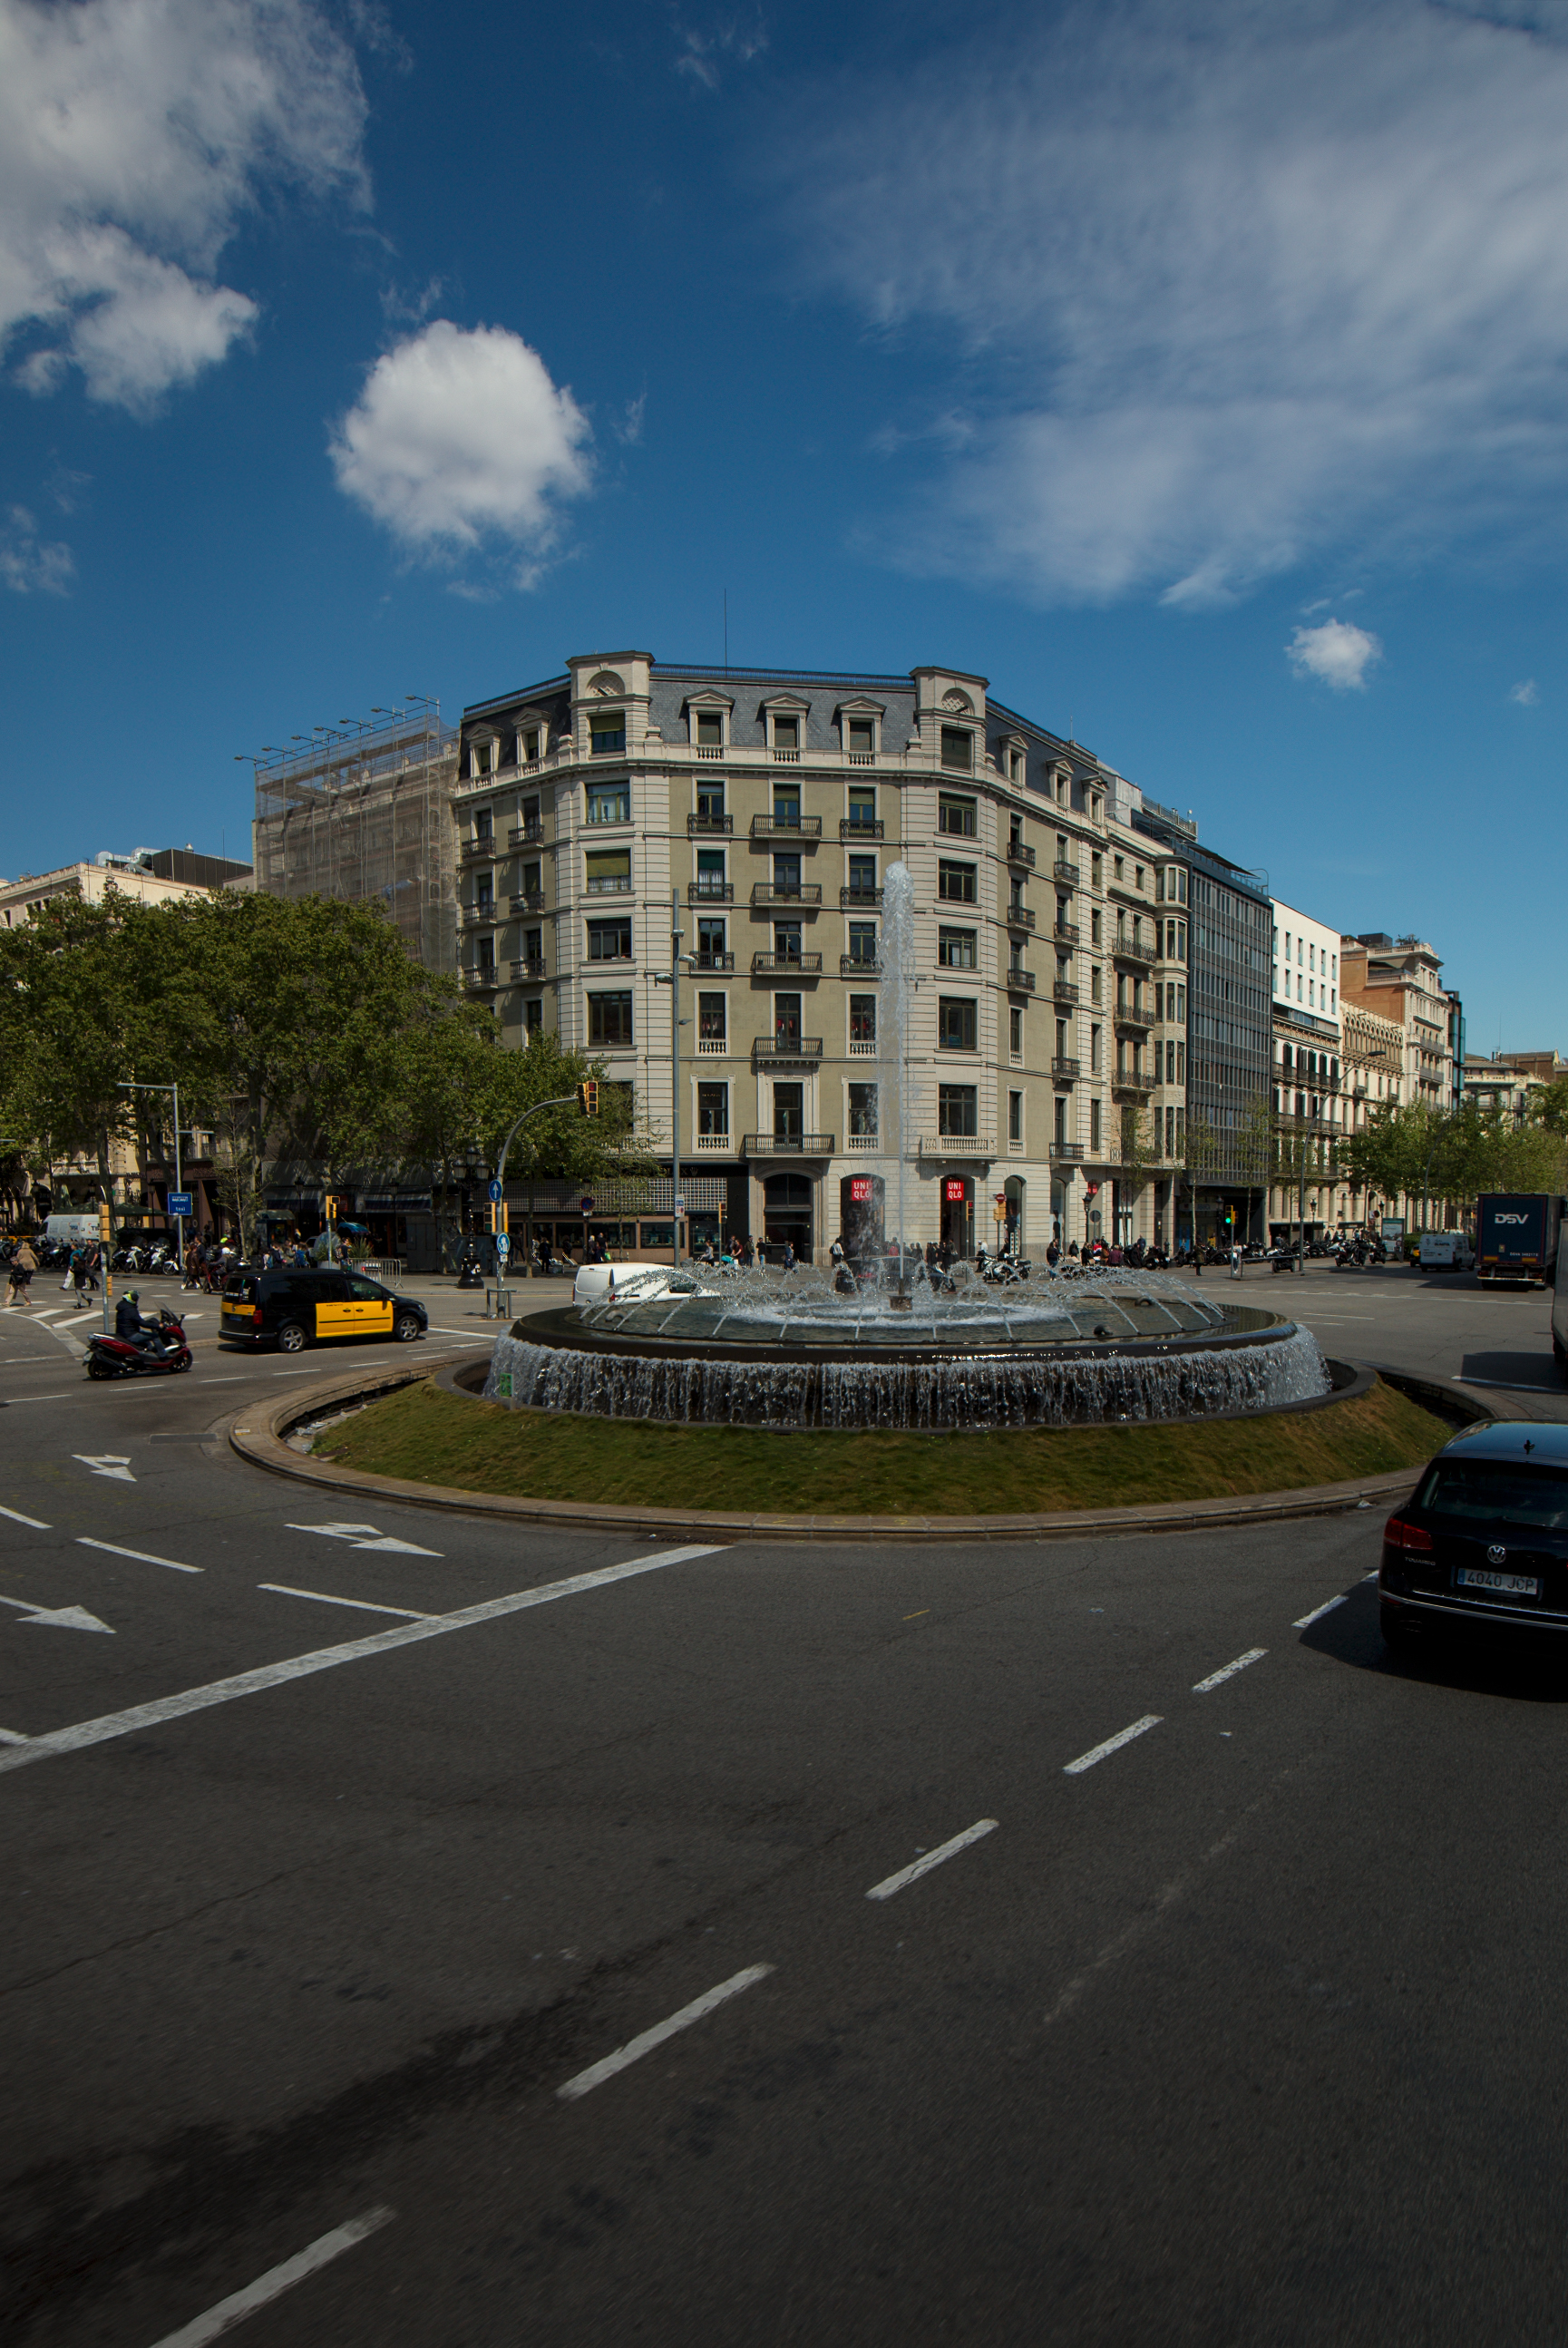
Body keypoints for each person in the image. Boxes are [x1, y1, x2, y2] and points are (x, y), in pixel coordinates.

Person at [8, 1236, 37, 1308]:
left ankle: (28, 1301)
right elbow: (34, 1256)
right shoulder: (30, 1250)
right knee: (29, 1272)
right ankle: (7, 1302)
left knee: (22, 1290)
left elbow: (17, 1257)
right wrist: (37, 1262)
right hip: (30, 1263)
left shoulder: (20, 1251)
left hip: (22, 1263)